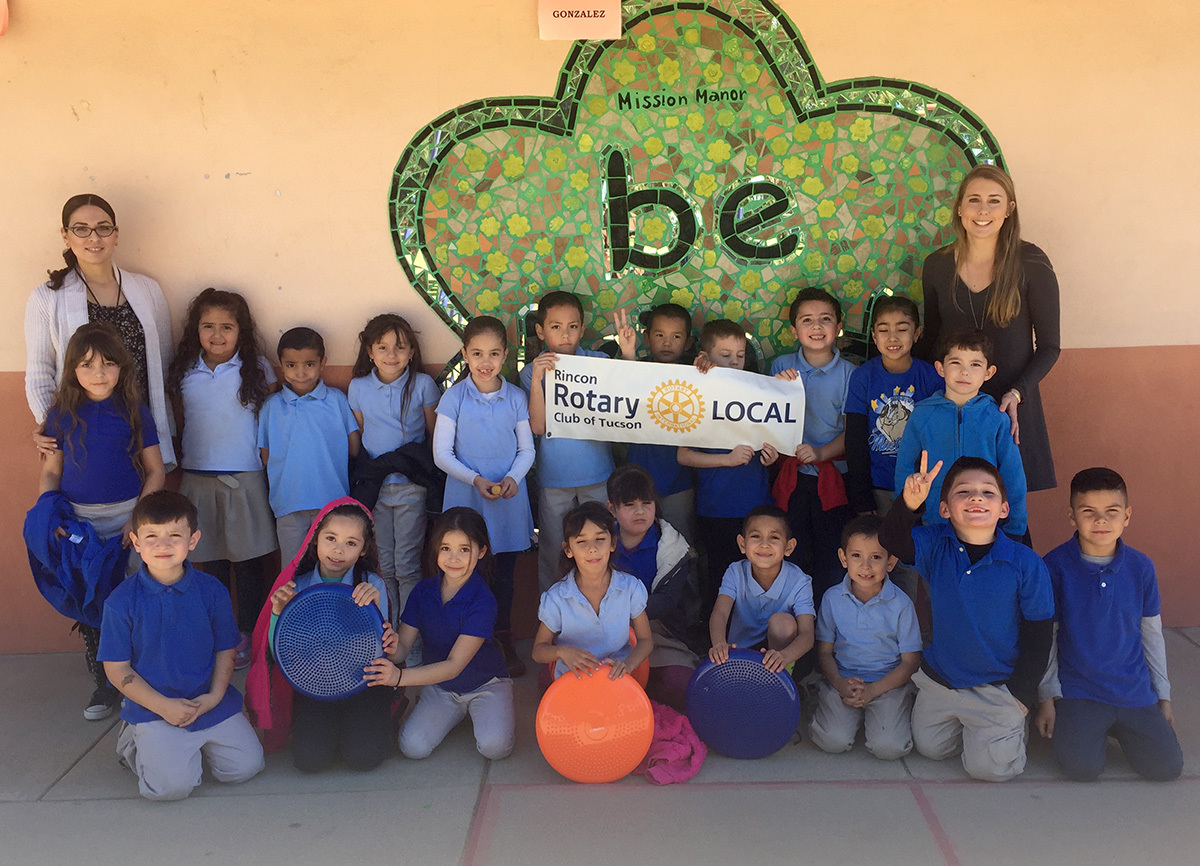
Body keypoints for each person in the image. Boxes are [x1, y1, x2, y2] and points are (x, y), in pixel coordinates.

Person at [882, 453, 1054, 782]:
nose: (976, 497)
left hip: (998, 686)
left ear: (1004, 509)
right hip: (942, 680)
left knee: (987, 769)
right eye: (963, 492)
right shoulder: (935, 543)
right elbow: (892, 540)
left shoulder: (1027, 563)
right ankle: (979, 730)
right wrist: (908, 504)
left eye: (988, 492)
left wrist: (1021, 697)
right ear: (945, 509)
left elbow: (1039, 636)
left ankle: (1005, 730)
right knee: (930, 748)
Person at [97, 491, 264, 800]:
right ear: (135, 542)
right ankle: (134, 740)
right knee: (171, 789)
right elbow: (116, 668)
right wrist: (163, 707)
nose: (163, 545)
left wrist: (214, 697)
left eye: (175, 535)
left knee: (245, 767)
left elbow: (226, 648)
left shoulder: (212, 590)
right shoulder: (121, 602)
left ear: (193, 540)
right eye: (151, 536)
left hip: (207, 702)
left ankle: (181, 750)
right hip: (154, 707)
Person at [38, 322, 166, 720]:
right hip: (79, 525)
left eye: (108, 364)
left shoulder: (133, 410)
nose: (98, 374)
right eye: (87, 365)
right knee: (90, 603)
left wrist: (138, 521)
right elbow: (50, 473)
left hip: (129, 521)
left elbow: (156, 472)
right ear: (72, 369)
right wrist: (49, 514)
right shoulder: (60, 414)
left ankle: (139, 684)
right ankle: (104, 685)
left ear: (122, 367)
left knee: (132, 601)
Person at [916, 164, 1060, 498]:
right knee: (953, 505)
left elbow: (1050, 346)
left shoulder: (1032, 263)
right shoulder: (936, 265)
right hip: (955, 410)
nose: (983, 210)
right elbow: (932, 342)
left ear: (1010, 208)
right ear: (960, 207)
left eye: (994, 201)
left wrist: (1017, 393)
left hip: (1009, 409)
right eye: (974, 200)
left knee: (1009, 518)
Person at [1035, 468, 1182, 782]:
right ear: (1072, 516)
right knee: (1081, 768)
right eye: (1089, 512)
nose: (1101, 521)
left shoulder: (1141, 567)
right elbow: (1047, 637)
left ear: (1127, 516)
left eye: (1111, 512)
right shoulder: (1054, 566)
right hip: (1079, 690)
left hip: (1133, 690)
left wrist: (1163, 696)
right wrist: (1046, 699)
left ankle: (1119, 727)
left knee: (1166, 767)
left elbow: (1151, 634)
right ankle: (1091, 727)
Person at [168, 288, 278, 669]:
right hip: (197, 477)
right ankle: (217, 634)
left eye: (227, 327)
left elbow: (274, 419)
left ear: (241, 331)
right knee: (208, 563)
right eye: (208, 326)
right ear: (196, 329)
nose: (217, 335)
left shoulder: (257, 368)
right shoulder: (184, 369)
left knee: (248, 564)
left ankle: (249, 632)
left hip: (245, 477)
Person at [25, 193, 176, 470]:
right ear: (65, 236)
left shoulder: (148, 291)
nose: (94, 238)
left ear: (116, 234)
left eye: (103, 228)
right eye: (81, 229)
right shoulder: (47, 297)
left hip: (141, 430)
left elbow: (163, 365)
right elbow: (39, 372)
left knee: (143, 508)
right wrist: (50, 424)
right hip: (82, 431)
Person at [364, 507, 514, 761]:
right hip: (442, 688)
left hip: (486, 685)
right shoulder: (423, 592)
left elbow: (455, 665)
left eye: (464, 549)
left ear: (482, 552)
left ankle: (489, 707)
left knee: (494, 747)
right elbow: (402, 649)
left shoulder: (483, 600)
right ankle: (450, 713)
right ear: (435, 550)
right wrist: (389, 643)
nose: (453, 558)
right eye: (446, 548)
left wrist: (399, 677)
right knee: (413, 747)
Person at [434, 316, 534, 676]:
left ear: (506, 355)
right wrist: (475, 479)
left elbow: (527, 450)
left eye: (493, 353)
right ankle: (463, 644)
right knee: (464, 571)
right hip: (467, 499)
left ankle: (500, 638)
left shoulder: (516, 398)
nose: (485, 361)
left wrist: (512, 477)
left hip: (507, 502)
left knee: (503, 575)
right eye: (476, 353)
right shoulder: (454, 397)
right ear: (464, 354)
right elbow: (442, 454)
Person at [263, 500, 392, 772]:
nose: (338, 550)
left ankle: (384, 714)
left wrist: (375, 612)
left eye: (351, 543)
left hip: (363, 685)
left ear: (364, 549)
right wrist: (277, 613)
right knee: (309, 762)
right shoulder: (296, 588)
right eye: (330, 538)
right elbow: (279, 655)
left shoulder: (371, 585)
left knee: (363, 758)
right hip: (315, 687)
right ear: (315, 539)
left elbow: (383, 651)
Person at [522, 291, 623, 592]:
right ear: (541, 331)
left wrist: (628, 355)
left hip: (599, 472)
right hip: (555, 476)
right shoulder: (531, 372)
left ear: (582, 327)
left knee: (602, 546)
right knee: (554, 547)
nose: (565, 334)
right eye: (555, 326)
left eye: (573, 326)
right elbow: (537, 426)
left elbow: (626, 405)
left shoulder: (599, 362)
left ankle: (604, 609)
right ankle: (550, 619)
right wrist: (539, 381)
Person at [679, 320, 778, 616]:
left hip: (757, 505)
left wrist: (773, 458)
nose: (734, 362)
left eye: (740, 354)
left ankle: (754, 636)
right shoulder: (696, 395)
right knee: (720, 575)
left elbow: (774, 441)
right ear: (705, 357)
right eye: (725, 355)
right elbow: (684, 456)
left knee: (758, 574)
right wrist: (727, 459)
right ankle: (716, 641)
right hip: (716, 507)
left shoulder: (758, 391)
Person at [348, 313, 441, 625]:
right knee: (384, 565)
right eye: (383, 347)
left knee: (407, 565)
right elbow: (358, 442)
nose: (392, 355)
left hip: (411, 487)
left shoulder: (424, 385)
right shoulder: (358, 387)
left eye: (400, 347)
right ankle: (386, 634)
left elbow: (433, 436)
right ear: (370, 352)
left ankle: (410, 643)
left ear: (412, 352)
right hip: (375, 490)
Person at [894, 328, 1027, 539]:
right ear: (940, 368)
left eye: (975, 364)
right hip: (934, 521)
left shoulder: (997, 417)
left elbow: (1013, 474)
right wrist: (906, 516)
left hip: (985, 522)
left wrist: (1015, 527)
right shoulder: (921, 414)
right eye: (956, 363)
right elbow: (904, 468)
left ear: (989, 372)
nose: (965, 372)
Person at [808, 515, 921, 760]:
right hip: (843, 680)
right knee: (833, 741)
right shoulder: (832, 598)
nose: (866, 566)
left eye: (876, 557)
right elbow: (825, 651)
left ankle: (890, 712)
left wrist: (873, 690)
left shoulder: (901, 604)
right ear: (843, 558)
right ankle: (832, 705)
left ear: (891, 562)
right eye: (856, 556)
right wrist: (838, 683)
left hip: (888, 684)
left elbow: (910, 661)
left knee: (888, 748)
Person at [770, 288, 857, 602]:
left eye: (825, 320)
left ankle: (826, 626)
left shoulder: (850, 374)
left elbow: (854, 434)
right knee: (793, 551)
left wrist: (821, 452)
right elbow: (766, 420)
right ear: (794, 330)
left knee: (832, 553)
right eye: (807, 320)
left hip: (834, 478)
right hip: (791, 480)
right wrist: (775, 389)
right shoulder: (780, 366)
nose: (817, 327)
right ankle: (794, 621)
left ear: (838, 328)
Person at [257, 327, 361, 565]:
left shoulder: (336, 400)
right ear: (280, 364)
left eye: (309, 364)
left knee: (333, 568)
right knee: (291, 572)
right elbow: (265, 456)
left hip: (333, 505)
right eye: (291, 365)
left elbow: (353, 447)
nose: (300, 372)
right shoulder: (271, 406)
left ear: (323, 363)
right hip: (288, 505)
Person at [607, 464, 701, 710]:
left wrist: (619, 610)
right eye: (629, 505)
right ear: (612, 509)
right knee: (551, 679)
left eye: (646, 503)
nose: (640, 512)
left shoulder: (672, 546)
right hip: (604, 632)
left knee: (683, 686)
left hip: (658, 635)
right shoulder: (598, 542)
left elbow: (666, 601)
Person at [532, 502, 654, 686]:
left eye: (600, 539)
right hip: (573, 682)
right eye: (581, 542)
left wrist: (627, 666)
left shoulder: (630, 588)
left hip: (619, 681)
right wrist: (563, 652)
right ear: (568, 550)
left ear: (613, 543)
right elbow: (538, 651)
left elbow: (645, 640)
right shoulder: (557, 598)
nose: (592, 549)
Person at [707, 505, 815, 677]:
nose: (764, 544)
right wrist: (719, 645)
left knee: (783, 623)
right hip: (740, 651)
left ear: (789, 547)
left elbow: (807, 634)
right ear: (742, 544)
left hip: (783, 658)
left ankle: (781, 682)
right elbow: (720, 612)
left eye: (774, 537)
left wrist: (783, 657)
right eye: (756, 536)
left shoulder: (800, 581)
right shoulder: (735, 571)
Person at [626, 303, 698, 544]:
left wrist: (710, 367)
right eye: (659, 335)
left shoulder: (697, 378)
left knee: (682, 546)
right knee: (638, 543)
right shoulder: (633, 372)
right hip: (637, 481)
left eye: (676, 336)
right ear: (646, 338)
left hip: (680, 483)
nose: (667, 343)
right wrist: (627, 355)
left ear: (688, 342)